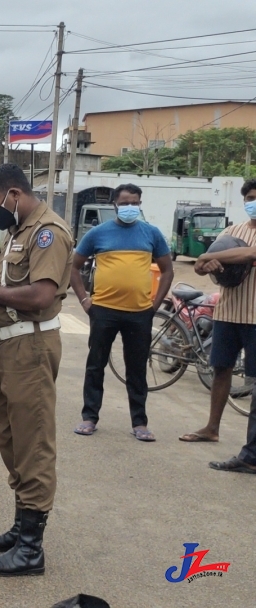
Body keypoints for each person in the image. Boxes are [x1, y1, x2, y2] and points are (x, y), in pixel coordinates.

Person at [0, 164, 73, 577]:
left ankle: (30, 550)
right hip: (7, 346)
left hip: (31, 346)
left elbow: (42, 295)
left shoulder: (48, 232)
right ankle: (21, 525)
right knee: (12, 440)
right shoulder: (17, 233)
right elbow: (8, 289)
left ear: (13, 194)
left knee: (33, 444)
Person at [69, 184, 173, 442]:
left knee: (137, 369)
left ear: (140, 204)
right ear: (115, 204)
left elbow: (168, 270)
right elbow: (73, 268)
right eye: (125, 203)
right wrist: (84, 299)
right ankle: (89, 417)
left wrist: (155, 305)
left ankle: (140, 423)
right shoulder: (98, 233)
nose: (130, 207)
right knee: (96, 364)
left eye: (135, 203)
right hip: (103, 311)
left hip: (139, 313)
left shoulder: (151, 233)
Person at [179, 178, 256, 476]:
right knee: (220, 369)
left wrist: (209, 256)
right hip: (228, 313)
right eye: (250, 197)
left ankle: (251, 454)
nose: (253, 201)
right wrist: (205, 263)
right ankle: (212, 428)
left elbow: (250, 254)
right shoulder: (231, 231)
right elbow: (201, 265)